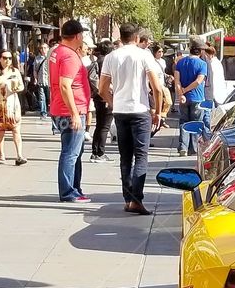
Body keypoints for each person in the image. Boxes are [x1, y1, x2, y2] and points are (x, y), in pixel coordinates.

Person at [99, 23, 163, 215]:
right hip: (140, 110)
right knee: (141, 156)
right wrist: (158, 112)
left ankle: (128, 199)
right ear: (136, 38)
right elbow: (157, 88)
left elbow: (102, 88)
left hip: (120, 111)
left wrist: (113, 102)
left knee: (125, 157)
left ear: (121, 37)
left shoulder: (111, 56)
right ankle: (137, 199)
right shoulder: (144, 55)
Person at [49, 20, 91, 203]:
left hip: (62, 108)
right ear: (77, 36)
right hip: (70, 110)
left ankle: (75, 188)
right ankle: (68, 191)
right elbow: (65, 85)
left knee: (74, 151)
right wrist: (75, 114)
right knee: (71, 153)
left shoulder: (57, 52)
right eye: (82, 34)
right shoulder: (69, 56)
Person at [0, 51, 27, 165]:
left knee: (16, 129)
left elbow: (21, 85)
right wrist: (8, 74)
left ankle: (19, 155)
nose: (8, 61)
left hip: (13, 102)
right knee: (0, 130)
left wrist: (17, 87)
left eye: (10, 58)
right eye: (5, 58)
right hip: (0, 103)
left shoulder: (15, 71)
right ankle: (1, 154)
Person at [175, 44, 207, 156]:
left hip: (184, 98)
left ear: (190, 51)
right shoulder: (202, 64)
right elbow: (198, 81)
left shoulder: (180, 62)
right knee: (196, 123)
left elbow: (177, 81)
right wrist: (187, 89)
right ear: (200, 52)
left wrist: (181, 93)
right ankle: (193, 149)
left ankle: (183, 146)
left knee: (183, 121)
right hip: (197, 97)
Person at [88, 43, 112, 163]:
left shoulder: (96, 62)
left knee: (99, 125)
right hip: (106, 96)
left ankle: (95, 151)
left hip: (97, 96)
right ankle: (100, 152)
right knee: (105, 126)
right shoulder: (107, 63)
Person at [32, 43, 50, 118]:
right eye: (42, 48)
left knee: (49, 97)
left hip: (49, 81)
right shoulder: (37, 58)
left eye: (45, 48)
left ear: (48, 48)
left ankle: (50, 111)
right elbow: (35, 70)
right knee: (42, 97)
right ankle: (43, 112)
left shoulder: (51, 57)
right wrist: (35, 79)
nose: (43, 50)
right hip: (40, 80)